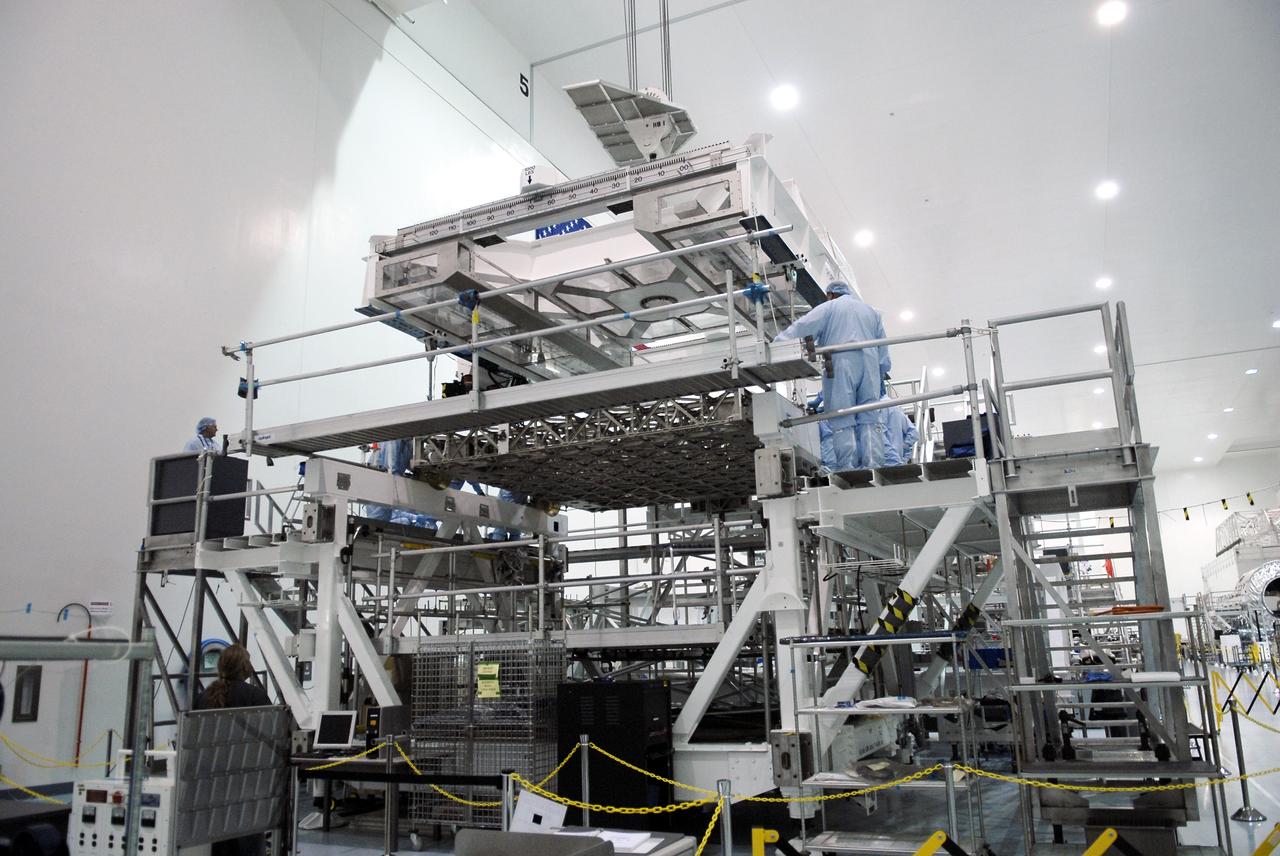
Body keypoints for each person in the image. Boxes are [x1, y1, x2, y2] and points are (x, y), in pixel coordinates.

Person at [776, 282, 890, 470]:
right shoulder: (871, 312)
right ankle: (874, 464)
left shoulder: (829, 307)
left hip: (840, 361)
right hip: (870, 363)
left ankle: (848, 466)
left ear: (830, 294)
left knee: (842, 415)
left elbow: (804, 326)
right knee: (869, 416)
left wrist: (778, 343)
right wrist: (882, 368)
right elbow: (883, 345)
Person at [194, 645, 270, 856]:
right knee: (248, 842)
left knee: (220, 842)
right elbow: (271, 733)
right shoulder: (254, 696)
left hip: (211, 780)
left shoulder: (204, 696)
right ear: (246, 667)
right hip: (246, 780)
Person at [881, 398, 920, 466]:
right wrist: (903, 458)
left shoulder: (872, 408)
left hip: (884, 463)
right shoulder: (894, 406)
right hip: (897, 461)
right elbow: (914, 433)